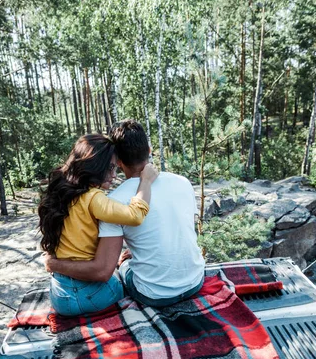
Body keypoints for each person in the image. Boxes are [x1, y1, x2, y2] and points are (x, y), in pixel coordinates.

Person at [45, 120, 205, 308]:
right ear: (150, 150)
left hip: (154, 294)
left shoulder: (113, 199)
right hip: (195, 281)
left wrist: (53, 263)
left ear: (117, 161)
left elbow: (103, 270)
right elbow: (177, 233)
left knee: (124, 266)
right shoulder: (182, 182)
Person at [39, 133, 157, 316]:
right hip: (91, 296)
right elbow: (135, 216)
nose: (113, 175)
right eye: (109, 168)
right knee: (122, 281)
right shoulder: (94, 198)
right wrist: (146, 181)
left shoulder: (62, 195)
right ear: (95, 166)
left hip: (60, 296)